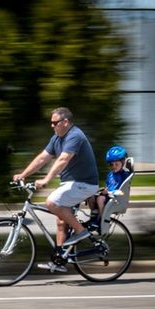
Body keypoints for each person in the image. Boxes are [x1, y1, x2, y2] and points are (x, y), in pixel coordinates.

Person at [13, 107, 99, 272]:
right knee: (61, 221)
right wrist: (23, 174)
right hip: (71, 184)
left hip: (84, 184)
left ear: (65, 122)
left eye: (55, 123)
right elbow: (42, 158)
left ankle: (81, 232)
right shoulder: (57, 138)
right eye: (51, 123)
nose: (52, 126)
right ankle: (59, 260)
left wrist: (46, 179)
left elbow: (63, 159)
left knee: (52, 202)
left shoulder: (75, 135)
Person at [89, 145, 131, 229]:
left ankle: (100, 220)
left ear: (122, 163)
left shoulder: (124, 176)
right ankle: (93, 218)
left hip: (116, 198)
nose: (114, 166)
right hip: (108, 196)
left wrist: (108, 192)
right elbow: (108, 186)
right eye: (111, 164)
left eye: (116, 164)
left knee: (100, 199)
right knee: (91, 197)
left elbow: (122, 191)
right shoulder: (110, 175)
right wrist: (103, 190)